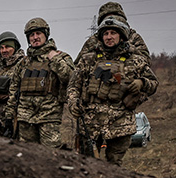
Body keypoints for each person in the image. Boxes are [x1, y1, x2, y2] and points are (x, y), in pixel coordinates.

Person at [67, 18, 158, 165]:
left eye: (113, 33)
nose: (109, 37)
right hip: (90, 122)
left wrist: (142, 83)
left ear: (121, 36)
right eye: (106, 34)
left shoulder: (135, 60)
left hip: (120, 123)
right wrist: (73, 103)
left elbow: (154, 84)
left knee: (114, 166)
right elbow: (73, 86)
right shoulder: (88, 59)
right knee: (86, 165)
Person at [3, 18, 74, 147]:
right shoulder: (23, 63)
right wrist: (9, 115)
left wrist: (55, 60)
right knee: (27, 155)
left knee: (51, 155)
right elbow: (14, 90)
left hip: (49, 117)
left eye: (38, 34)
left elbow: (70, 79)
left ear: (46, 35)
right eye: (31, 35)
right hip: (25, 117)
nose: (35, 37)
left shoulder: (60, 57)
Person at [78, 2, 150, 59]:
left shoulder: (133, 37)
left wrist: (128, 50)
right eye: (107, 18)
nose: (109, 37)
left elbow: (145, 60)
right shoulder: (94, 40)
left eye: (115, 18)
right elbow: (79, 63)